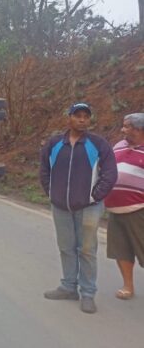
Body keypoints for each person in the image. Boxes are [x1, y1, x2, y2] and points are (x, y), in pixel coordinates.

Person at [39, 102, 118, 314]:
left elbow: (110, 174)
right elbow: (44, 170)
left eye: (86, 116)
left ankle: (88, 293)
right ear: (69, 118)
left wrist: (95, 195)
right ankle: (68, 287)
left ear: (89, 120)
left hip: (89, 207)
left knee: (87, 250)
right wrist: (51, 192)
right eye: (78, 115)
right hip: (60, 207)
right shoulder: (55, 143)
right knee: (66, 248)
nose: (82, 119)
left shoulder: (98, 144)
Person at [104, 113, 144, 300]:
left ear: (139, 129)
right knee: (121, 250)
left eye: (127, 126)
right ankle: (128, 286)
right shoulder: (119, 146)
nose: (123, 129)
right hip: (115, 209)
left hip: (139, 210)